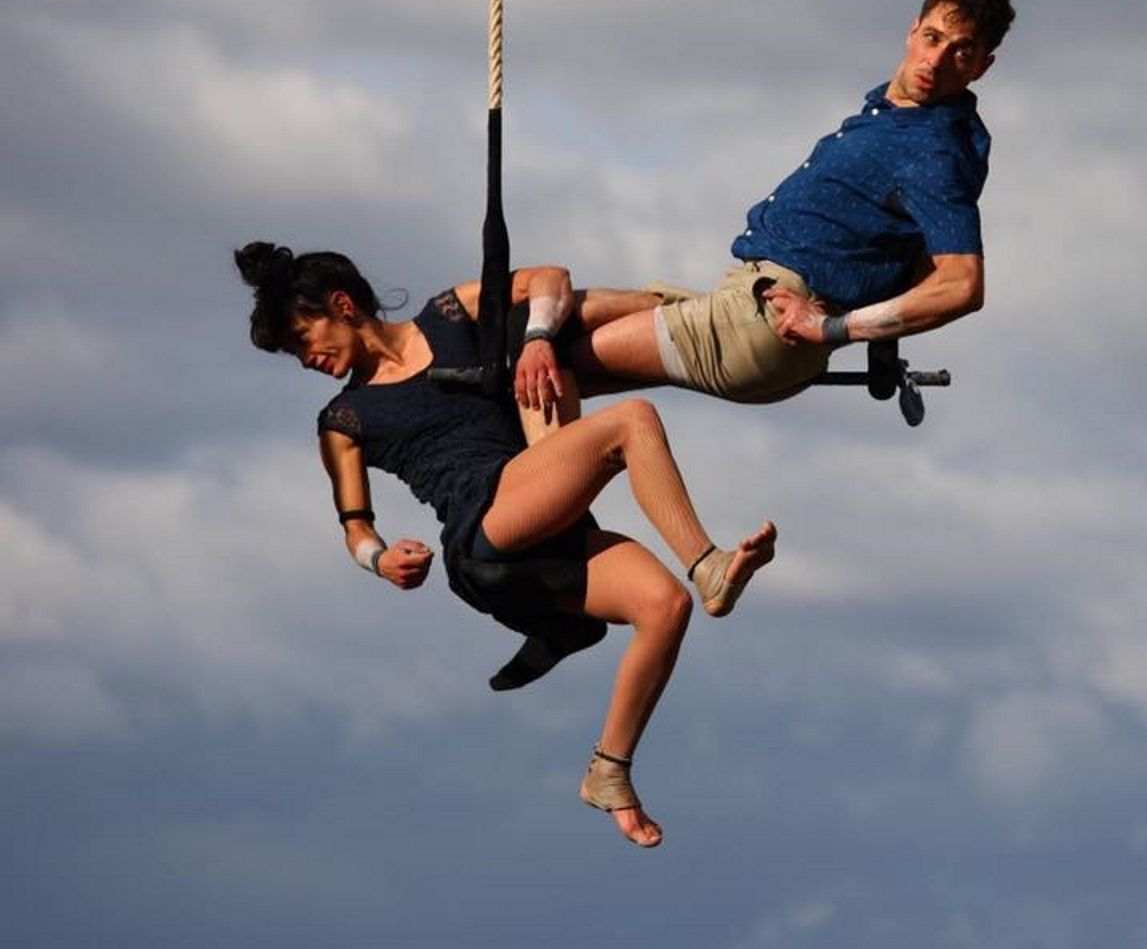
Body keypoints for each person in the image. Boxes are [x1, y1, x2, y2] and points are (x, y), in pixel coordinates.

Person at [233, 241, 777, 849]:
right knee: (632, 421)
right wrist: (380, 559)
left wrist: (540, 338)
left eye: (304, 338)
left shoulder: (448, 314)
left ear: (342, 305)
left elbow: (549, 278)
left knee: (663, 608)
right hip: (482, 529)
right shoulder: (345, 418)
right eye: (295, 353)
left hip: (538, 520)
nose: (306, 359)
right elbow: (356, 528)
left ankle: (610, 770)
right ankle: (707, 563)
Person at [543, 0, 1015, 405]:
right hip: (747, 304)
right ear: (912, 31)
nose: (936, 60)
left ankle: (537, 494)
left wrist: (837, 328)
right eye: (933, 38)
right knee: (554, 331)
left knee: (544, 372)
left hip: (765, 326)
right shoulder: (893, 115)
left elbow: (961, 284)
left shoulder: (935, 150)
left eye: (961, 52)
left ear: (982, 67)